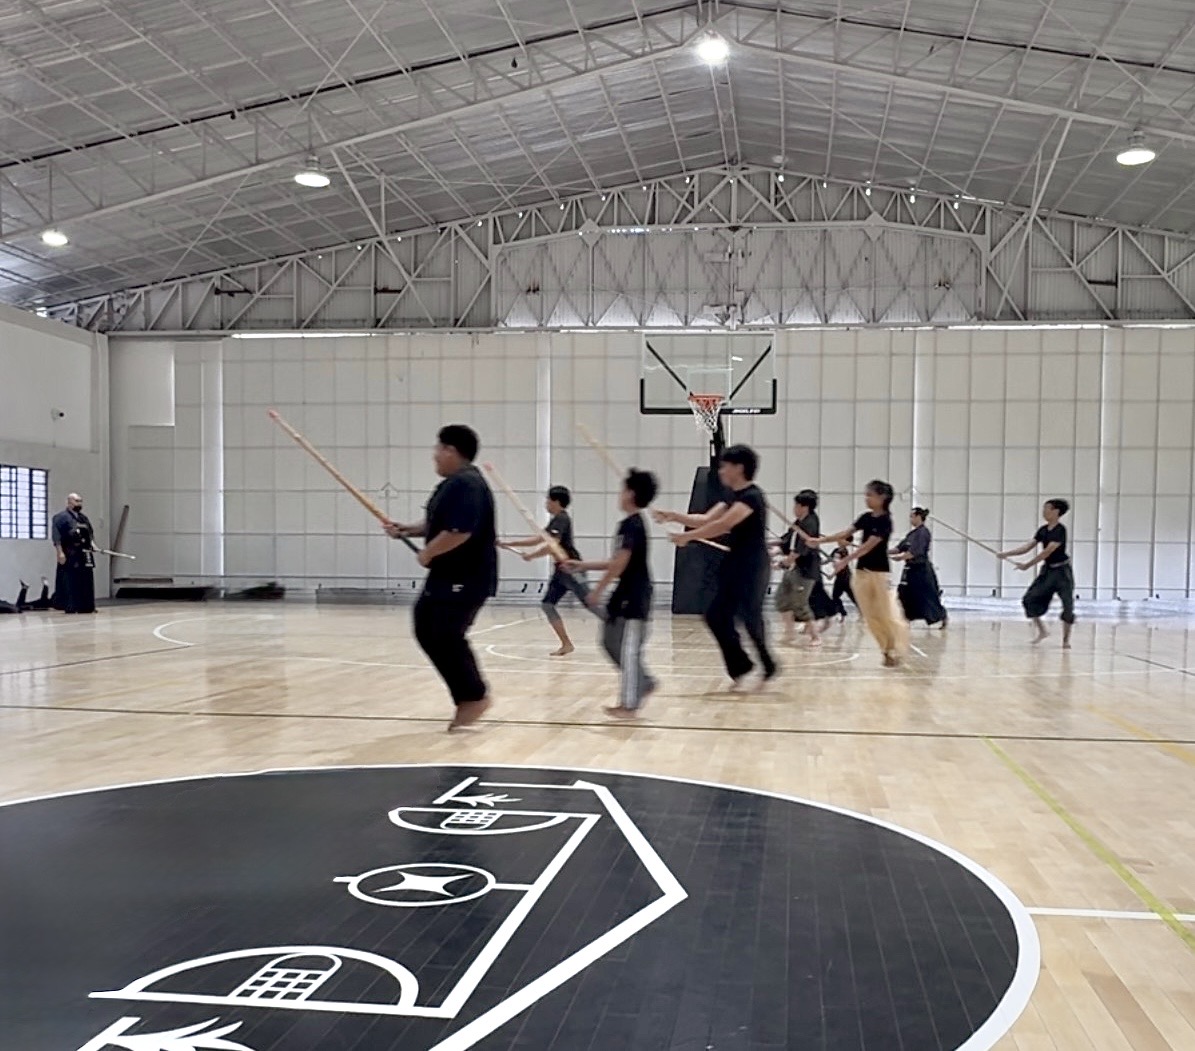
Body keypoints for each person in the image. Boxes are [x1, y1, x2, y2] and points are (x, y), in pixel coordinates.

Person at [383, 425, 497, 731]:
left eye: (438, 449)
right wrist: (406, 530)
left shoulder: (466, 484)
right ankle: (469, 696)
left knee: (445, 633)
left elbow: (460, 531)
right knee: (426, 625)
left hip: (465, 576)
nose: (434, 455)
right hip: (447, 575)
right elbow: (439, 524)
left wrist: (428, 553)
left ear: (450, 450)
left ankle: (473, 697)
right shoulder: (453, 484)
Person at [655, 444, 778, 689]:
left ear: (739, 468)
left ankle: (768, 665)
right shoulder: (731, 496)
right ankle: (741, 665)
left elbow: (723, 525)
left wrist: (688, 537)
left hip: (753, 565)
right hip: (734, 562)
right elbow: (705, 519)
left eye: (725, 466)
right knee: (715, 615)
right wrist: (673, 516)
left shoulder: (752, 497)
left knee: (750, 617)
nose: (721, 471)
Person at [563, 469, 658, 718]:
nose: (619, 494)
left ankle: (629, 705)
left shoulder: (633, 525)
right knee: (609, 640)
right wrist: (582, 565)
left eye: (622, 489)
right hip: (623, 594)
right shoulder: (628, 525)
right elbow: (616, 561)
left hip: (635, 596)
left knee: (629, 649)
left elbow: (619, 564)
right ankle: (644, 681)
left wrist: (597, 589)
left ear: (631, 494)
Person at [805, 480, 909, 668]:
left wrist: (845, 560)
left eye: (870, 495)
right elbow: (846, 533)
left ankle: (898, 648)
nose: (866, 498)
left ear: (882, 497)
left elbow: (868, 546)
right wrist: (820, 540)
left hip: (880, 574)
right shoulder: (866, 517)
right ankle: (887, 650)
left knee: (888, 613)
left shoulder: (885, 521)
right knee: (870, 616)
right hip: (862, 573)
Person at [499, 485, 594, 656]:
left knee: (592, 603)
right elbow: (538, 539)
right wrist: (509, 543)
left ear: (556, 501)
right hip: (560, 571)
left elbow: (552, 546)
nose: (546, 503)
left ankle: (619, 626)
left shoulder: (562, 519)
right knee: (548, 605)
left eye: (548, 500)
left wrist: (532, 556)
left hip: (572, 570)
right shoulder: (555, 520)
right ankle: (566, 644)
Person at [999, 498, 1075, 648]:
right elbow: (1027, 547)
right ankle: (1043, 631)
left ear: (1056, 511)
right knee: (1029, 599)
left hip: (1062, 572)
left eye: (1047, 509)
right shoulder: (1043, 530)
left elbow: (1047, 551)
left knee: (1068, 606)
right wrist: (1006, 554)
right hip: (1048, 571)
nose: (1044, 512)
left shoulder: (1060, 530)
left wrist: (1027, 565)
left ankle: (1066, 640)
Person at [774, 490, 833, 646]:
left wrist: (783, 563)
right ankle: (789, 633)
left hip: (805, 571)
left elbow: (800, 550)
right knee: (782, 599)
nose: (794, 508)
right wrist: (774, 550)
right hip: (793, 569)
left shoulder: (810, 523)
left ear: (804, 507)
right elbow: (786, 540)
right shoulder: (799, 522)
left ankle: (815, 637)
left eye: (796, 505)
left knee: (800, 604)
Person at [892, 507, 948, 629]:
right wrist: (883, 551)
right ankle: (906, 618)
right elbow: (899, 548)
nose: (910, 519)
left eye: (912, 516)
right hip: (910, 570)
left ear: (918, 517)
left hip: (921, 570)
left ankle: (941, 615)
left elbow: (915, 552)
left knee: (926, 596)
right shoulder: (912, 534)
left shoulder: (923, 533)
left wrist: (900, 558)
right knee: (905, 594)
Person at [51, 493, 97, 615]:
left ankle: (86, 606)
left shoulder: (83, 518)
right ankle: (71, 605)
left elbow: (90, 534)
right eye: (77, 501)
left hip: (84, 553)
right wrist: (60, 552)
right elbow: (56, 536)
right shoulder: (60, 517)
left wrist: (93, 545)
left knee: (86, 579)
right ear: (69, 502)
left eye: (80, 501)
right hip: (70, 553)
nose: (79, 504)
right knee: (70, 580)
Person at [830, 545, 856, 620]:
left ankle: (864, 612)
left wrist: (832, 575)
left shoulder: (844, 552)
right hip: (839, 578)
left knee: (853, 597)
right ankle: (843, 613)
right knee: (835, 596)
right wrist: (819, 562)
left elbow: (841, 566)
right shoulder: (836, 550)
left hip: (846, 578)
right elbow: (830, 559)